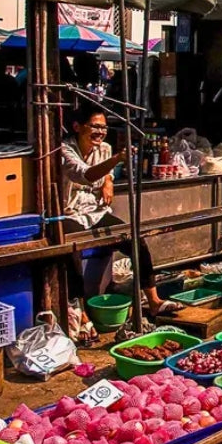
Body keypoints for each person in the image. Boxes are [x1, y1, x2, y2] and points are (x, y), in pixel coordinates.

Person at [59, 103, 179, 315]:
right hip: (70, 214)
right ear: (77, 127)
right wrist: (116, 160)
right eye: (95, 126)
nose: (100, 132)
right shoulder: (65, 150)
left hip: (95, 212)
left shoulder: (104, 148)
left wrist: (108, 180)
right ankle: (81, 314)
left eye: (103, 128)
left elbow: (106, 173)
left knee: (135, 240)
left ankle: (154, 300)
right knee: (72, 253)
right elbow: (85, 175)